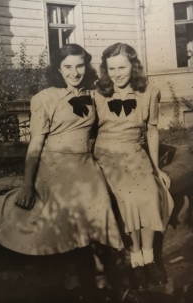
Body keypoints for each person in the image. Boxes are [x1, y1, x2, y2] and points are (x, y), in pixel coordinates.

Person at [0, 44, 123, 293]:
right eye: (68, 67)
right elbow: (36, 143)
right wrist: (28, 185)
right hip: (54, 164)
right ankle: (72, 271)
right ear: (58, 69)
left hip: (84, 163)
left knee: (99, 203)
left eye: (79, 65)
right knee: (67, 207)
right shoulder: (44, 98)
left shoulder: (93, 94)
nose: (74, 72)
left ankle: (99, 270)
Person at [93, 43, 174, 290]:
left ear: (133, 66)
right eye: (111, 68)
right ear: (105, 70)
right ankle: (135, 260)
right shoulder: (97, 93)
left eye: (122, 67)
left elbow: (151, 129)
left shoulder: (150, 91)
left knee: (149, 193)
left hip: (135, 153)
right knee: (127, 199)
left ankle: (149, 258)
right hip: (106, 154)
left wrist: (156, 167)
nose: (116, 74)